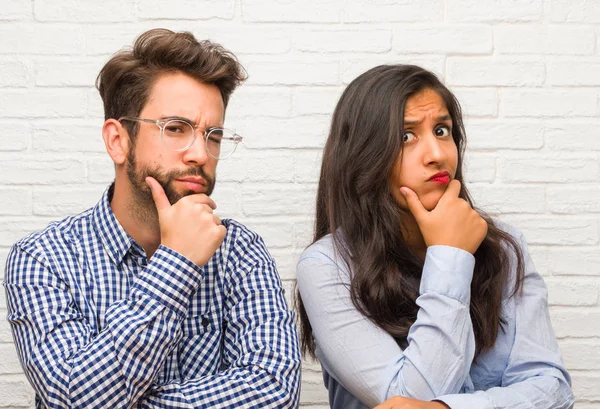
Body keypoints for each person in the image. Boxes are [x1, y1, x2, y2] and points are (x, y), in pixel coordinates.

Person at [3, 28, 300, 409]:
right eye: (176, 128)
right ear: (117, 141)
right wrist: (176, 266)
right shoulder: (43, 258)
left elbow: (274, 391)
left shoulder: (239, 251)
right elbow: (72, 398)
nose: (200, 153)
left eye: (213, 135)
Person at [295, 64, 574, 409]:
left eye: (442, 131)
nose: (438, 155)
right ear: (363, 154)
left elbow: (553, 390)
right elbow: (407, 397)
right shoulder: (327, 266)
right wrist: (450, 255)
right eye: (406, 136)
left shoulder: (504, 248)